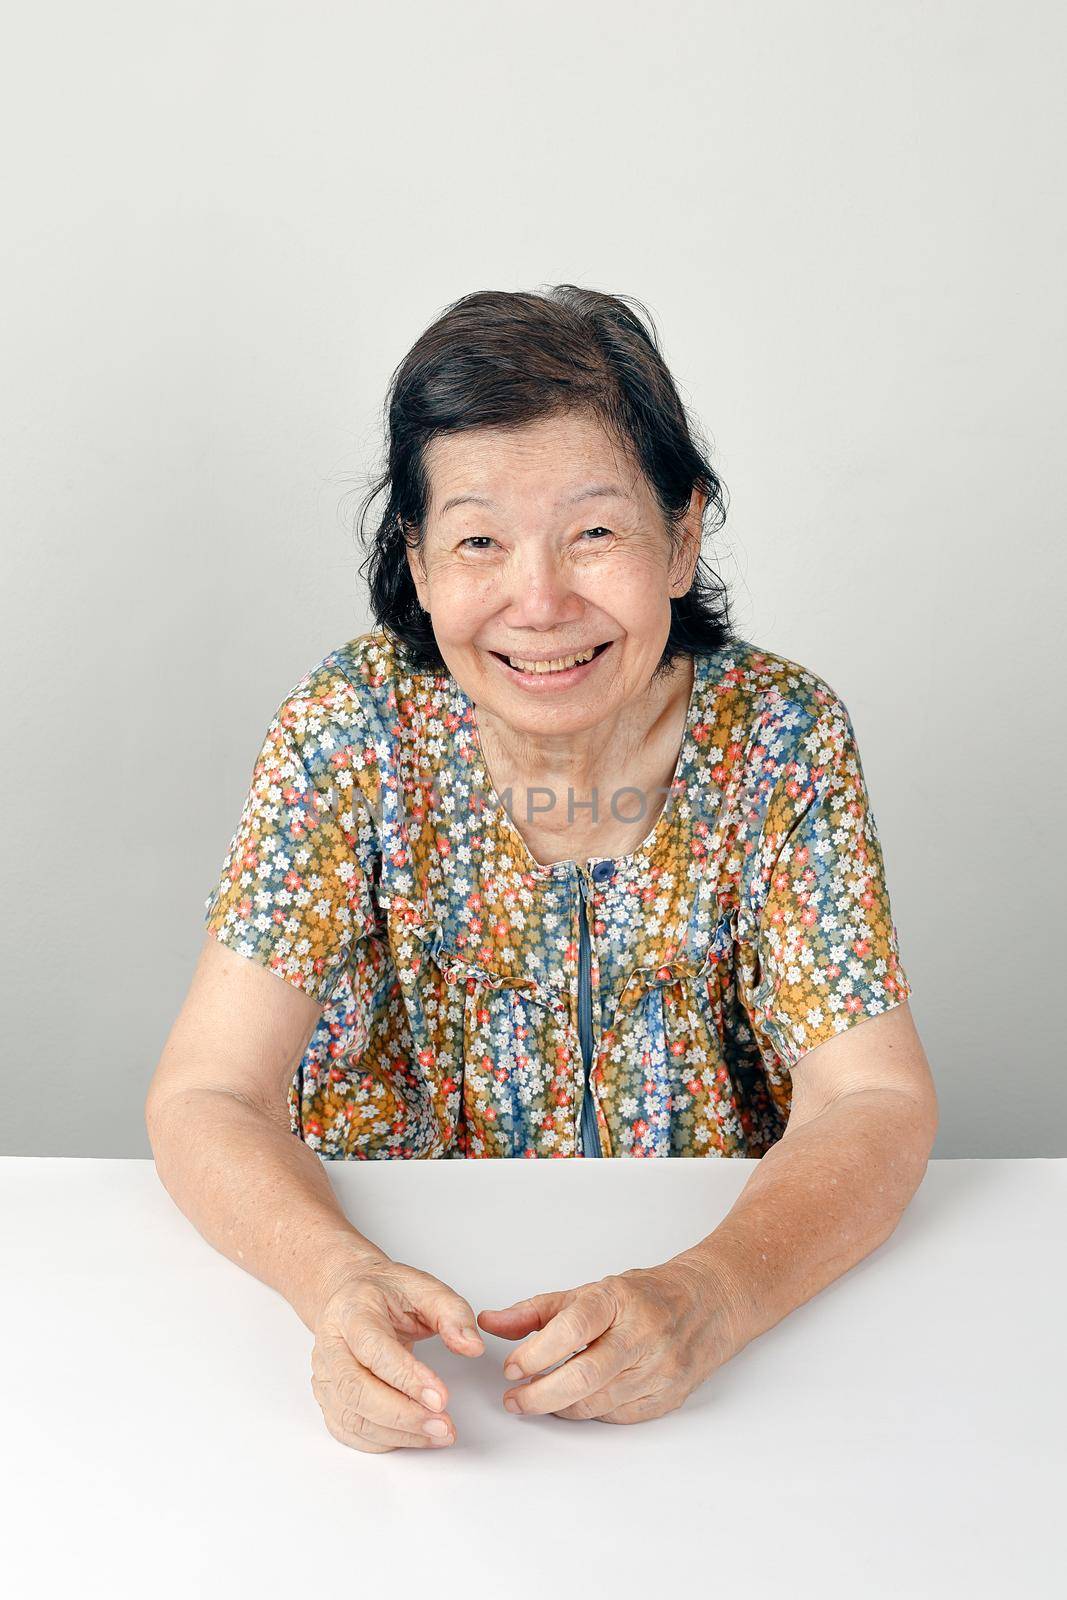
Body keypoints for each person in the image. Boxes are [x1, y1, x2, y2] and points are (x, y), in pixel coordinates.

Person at [146, 285, 938, 1453]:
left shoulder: (780, 735)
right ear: (414, 563)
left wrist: (712, 1296)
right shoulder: (348, 730)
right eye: (477, 540)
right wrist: (334, 1281)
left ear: (681, 536)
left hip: (711, 1339)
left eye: (594, 532)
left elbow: (872, 1097)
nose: (540, 602)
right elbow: (207, 1093)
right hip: (433, 1340)